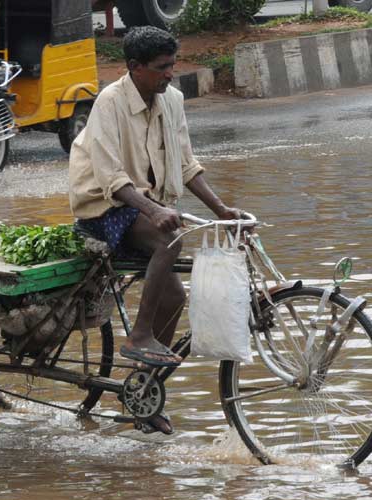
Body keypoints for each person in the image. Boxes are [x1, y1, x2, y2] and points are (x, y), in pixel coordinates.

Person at [68, 27, 245, 431]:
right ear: (135, 68)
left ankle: (142, 394)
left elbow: (185, 164)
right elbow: (110, 176)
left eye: (172, 65)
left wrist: (222, 209)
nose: (170, 74)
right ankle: (139, 335)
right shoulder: (109, 103)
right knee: (171, 238)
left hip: (147, 206)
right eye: (162, 68)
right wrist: (153, 208)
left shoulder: (172, 100)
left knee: (175, 299)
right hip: (106, 206)